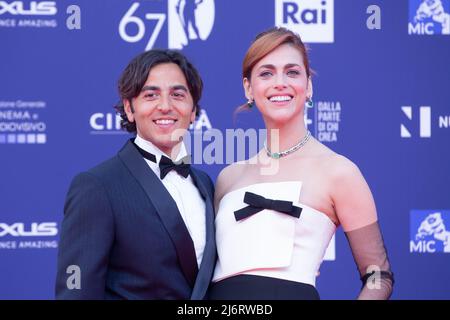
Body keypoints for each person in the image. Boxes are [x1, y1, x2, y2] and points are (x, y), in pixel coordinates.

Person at [208, 27, 394, 300]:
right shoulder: (228, 178)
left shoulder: (339, 172)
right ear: (249, 87)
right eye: (266, 73)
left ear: (308, 86)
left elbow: (379, 276)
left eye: (292, 72)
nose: (280, 82)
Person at [55, 49, 216, 299]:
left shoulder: (205, 185)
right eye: (151, 95)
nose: (165, 106)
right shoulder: (97, 187)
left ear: (193, 110)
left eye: (177, 94)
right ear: (129, 108)